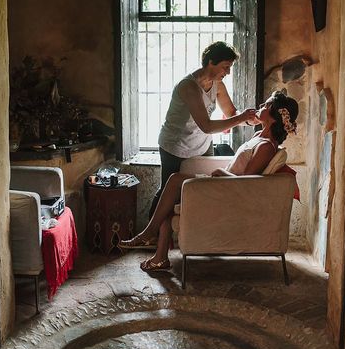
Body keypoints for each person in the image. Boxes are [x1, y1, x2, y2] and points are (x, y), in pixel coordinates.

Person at [120, 90, 299, 272]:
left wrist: (222, 172)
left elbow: (246, 183)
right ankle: (159, 256)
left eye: (267, 105)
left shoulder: (267, 147)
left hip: (226, 191)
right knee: (172, 193)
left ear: (275, 115)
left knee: (174, 181)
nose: (261, 106)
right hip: (221, 184)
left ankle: (149, 234)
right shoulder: (258, 137)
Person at [147, 41, 258, 224]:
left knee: (205, 187)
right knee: (168, 190)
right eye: (225, 67)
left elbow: (231, 112)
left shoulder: (218, 85)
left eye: (229, 67)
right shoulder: (188, 86)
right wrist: (240, 119)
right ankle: (151, 235)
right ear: (210, 62)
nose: (228, 72)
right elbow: (206, 125)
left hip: (203, 144)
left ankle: (196, 234)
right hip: (175, 145)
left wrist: (248, 120)